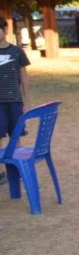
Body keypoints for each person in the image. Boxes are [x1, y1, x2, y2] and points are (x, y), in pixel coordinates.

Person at [0, 22, 31, 185]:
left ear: (5, 30)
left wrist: (26, 101)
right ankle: (0, 173)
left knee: (16, 136)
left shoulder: (17, 52)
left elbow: (24, 78)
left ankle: (18, 169)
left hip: (14, 101)